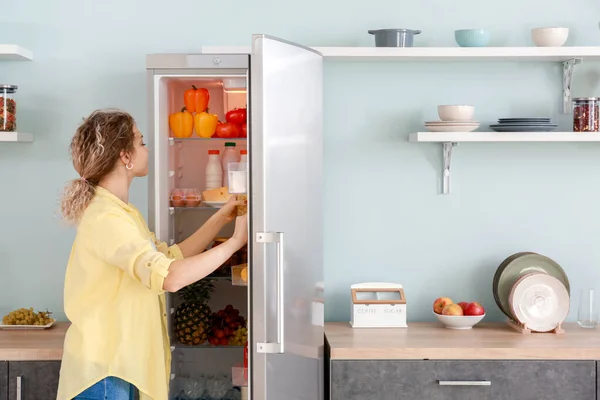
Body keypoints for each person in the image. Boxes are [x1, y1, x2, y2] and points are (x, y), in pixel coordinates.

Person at [56, 109, 248, 400]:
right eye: (141, 142)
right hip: (107, 373)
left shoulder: (120, 212)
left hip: (121, 365)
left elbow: (170, 257)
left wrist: (223, 217)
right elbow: (169, 277)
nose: (147, 149)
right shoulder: (107, 217)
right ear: (125, 156)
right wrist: (235, 243)